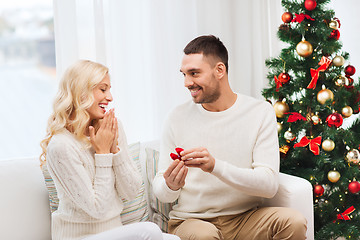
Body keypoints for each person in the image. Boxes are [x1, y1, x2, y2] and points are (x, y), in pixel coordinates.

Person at [152, 35, 307, 240]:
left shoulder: (259, 112)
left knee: (293, 222)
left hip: (246, 218)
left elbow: (269, 185)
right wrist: (170, 185)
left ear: (219, 70)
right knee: (204, 235)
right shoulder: (176, 117)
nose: (187, 83)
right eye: (184, 74)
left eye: (194, 73)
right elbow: (161, 192)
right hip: (193, 221)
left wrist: (215, 166)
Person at [40, 60, 180, 240]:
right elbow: (98, 208)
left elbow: (130, 192)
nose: (110, 97)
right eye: (103, 89)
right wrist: (103, 154)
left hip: (114, 232)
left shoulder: (111, 127)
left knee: (173, 239)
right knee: (150, 232)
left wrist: (115, 151)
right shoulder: (61, 146)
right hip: (79, 236)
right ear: (81, 92)